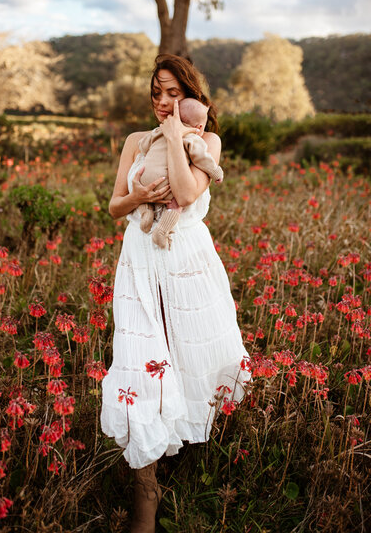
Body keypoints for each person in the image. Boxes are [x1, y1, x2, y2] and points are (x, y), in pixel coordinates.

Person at [100, 54, 252, 533]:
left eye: (173, 93)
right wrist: (141, 197)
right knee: (138, 364)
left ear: (191, 95)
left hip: (187, 263)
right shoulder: (133, 141)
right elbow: (113, 205)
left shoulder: (207, 141)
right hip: (140, 262)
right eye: (157, 93)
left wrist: (171, 135)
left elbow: (186, 196)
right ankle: (146, 496)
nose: (163, 102)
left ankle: (186, 462)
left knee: (183, 362)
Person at [138, 97, 224, 250]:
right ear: (199, 127)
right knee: (176, 204)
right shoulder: (192, 138)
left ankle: (146, 211)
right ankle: (162, 231)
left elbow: (143, 146)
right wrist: (215, 172)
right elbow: (202, 159)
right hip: (165, 183)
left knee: (147, 193)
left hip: (145, 178)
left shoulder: (159, 131)